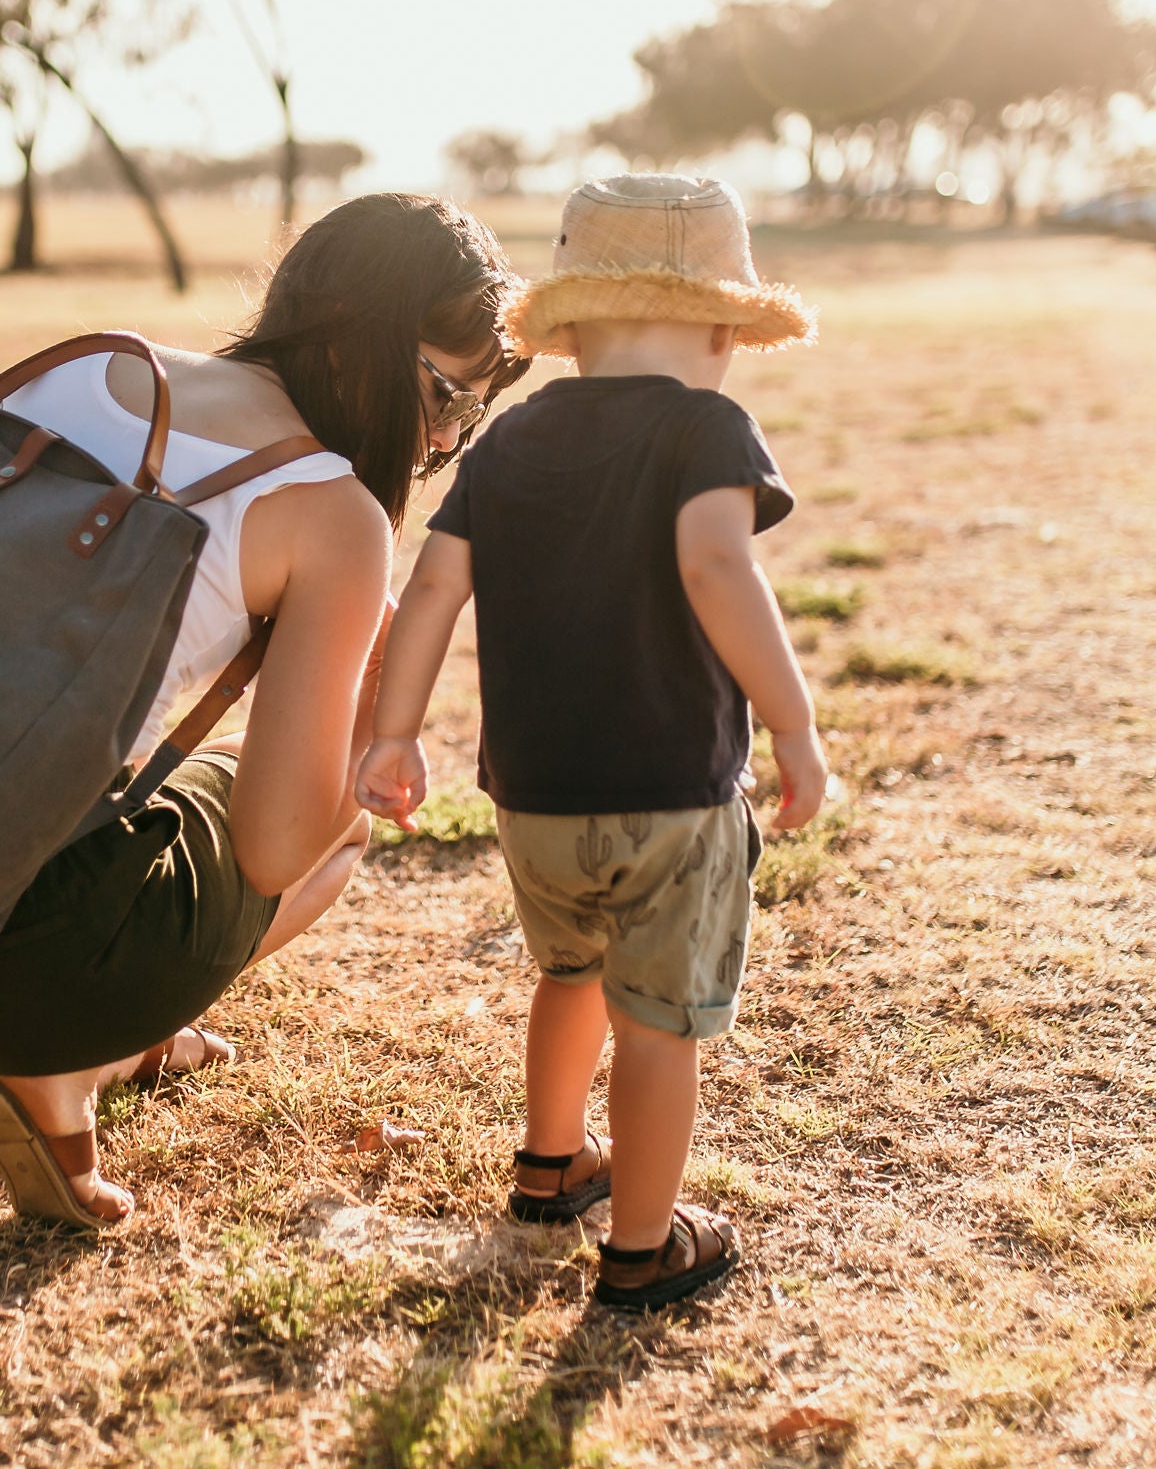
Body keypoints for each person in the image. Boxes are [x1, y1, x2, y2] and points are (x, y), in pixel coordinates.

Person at [0, 193, 529, 1229]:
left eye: (469, 418)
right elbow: (271, 849)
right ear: (362, 340)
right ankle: (71, 1067)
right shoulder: (333, 514)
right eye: (445, 397)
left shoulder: (89, 364)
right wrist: (368, 699)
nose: (442, 442)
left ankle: (130, 1045)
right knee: (338, 824)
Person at [355, 173, 834, 1309]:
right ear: (723, 327)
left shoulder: (512, 441)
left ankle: (550, 1160)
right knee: (659, 1024)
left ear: (568, 331)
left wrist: (394, 734)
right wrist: (794, 723)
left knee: (566, 972)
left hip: (532, 799)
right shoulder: (706, 426)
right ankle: (641, 1244)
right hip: (671, 792)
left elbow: (430, 590)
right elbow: (718, 564)